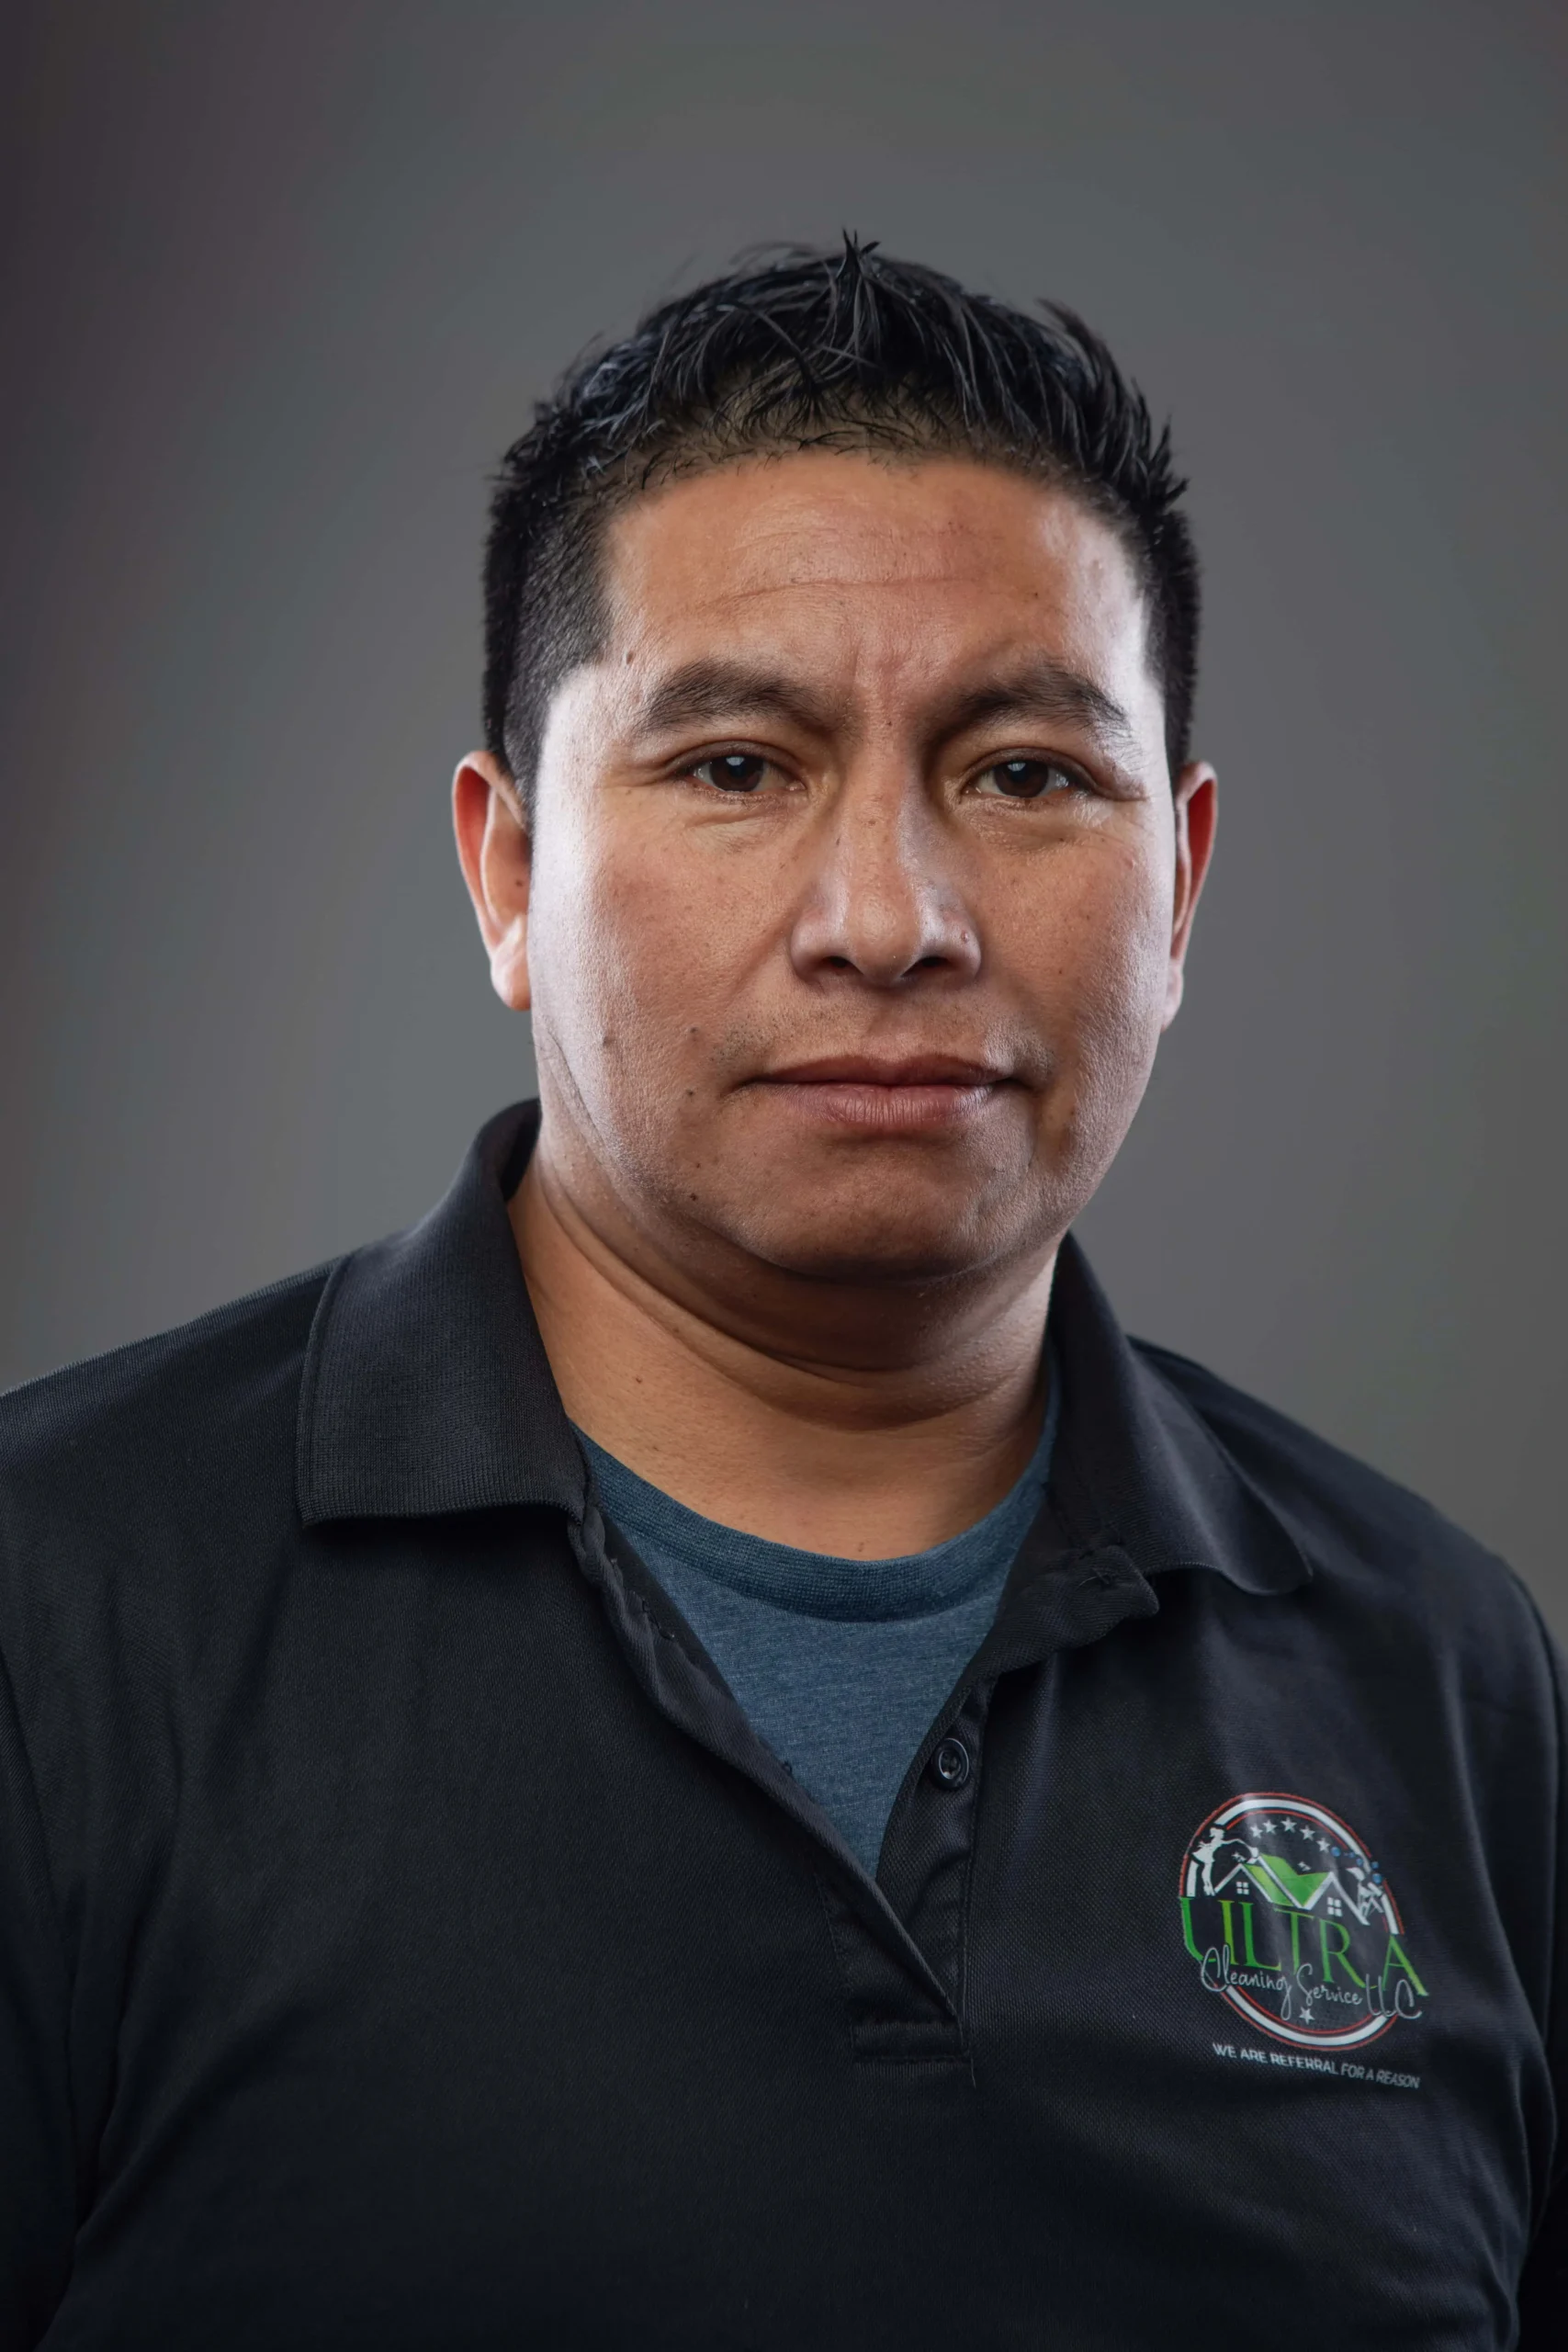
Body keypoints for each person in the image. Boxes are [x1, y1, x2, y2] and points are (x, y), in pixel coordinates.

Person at [1, 240, 1562, 2348]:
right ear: (506, 870)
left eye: (1024, 771)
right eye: (737, 764)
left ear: (1181, 881)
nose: (889, 917)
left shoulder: (1440, 1677)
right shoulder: (59, 1615)